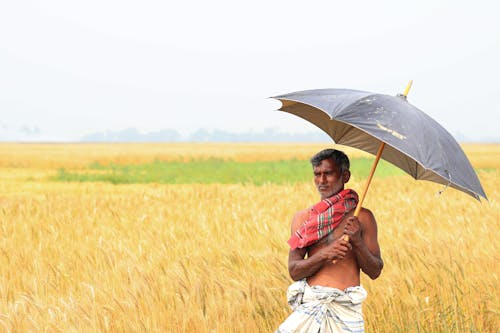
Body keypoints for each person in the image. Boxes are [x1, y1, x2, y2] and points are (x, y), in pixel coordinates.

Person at [276, 148, 383, 333]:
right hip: (310, 310)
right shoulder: (304, 219)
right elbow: (294, 271)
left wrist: (357, 242)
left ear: (345, 175)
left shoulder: (363, 218)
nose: (321, 181)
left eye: (328, 174)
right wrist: (325, 254)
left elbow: (375, 271)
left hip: (345, 312)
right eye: (317, 174)